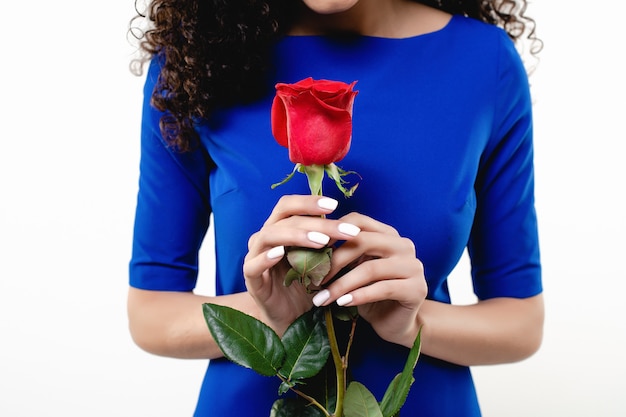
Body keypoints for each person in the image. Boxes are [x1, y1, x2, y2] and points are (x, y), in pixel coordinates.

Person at [127, 1, 545, 415]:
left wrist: (412, 323)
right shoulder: (194, 60)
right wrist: (267, 314)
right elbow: (151, 314)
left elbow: (521, 323)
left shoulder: (483, 60)